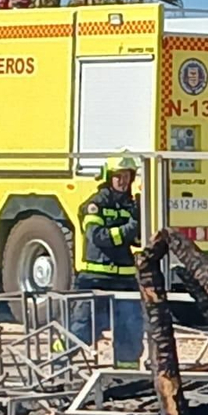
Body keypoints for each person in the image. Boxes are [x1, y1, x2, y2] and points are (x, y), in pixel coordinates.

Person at [69, 152, 143, 366]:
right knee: (82, 329)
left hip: (125, 281)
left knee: (129, 329)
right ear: (108, 177)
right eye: (118, 176)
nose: (123, 181)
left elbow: (138, 239)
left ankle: (126, 377)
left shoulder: (131, 206)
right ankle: (57, 364)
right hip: (94, 279)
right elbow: (98, 237)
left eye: (127, 176)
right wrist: (129, 229)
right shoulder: (95, 205)